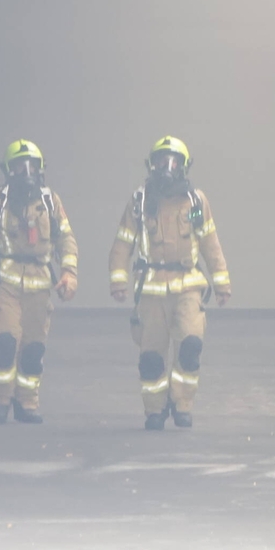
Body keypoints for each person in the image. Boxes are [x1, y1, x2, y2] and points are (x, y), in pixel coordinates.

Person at [108, 136, 231, 430]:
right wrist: (118, 280)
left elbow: (210, 243)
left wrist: (222, 282)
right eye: (162, 161)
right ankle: (155, 409)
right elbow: (123, 244)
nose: (168, 168)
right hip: (150, 290)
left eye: (174, 162)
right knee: (151, 356)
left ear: (185, 166)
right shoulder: (140, 202)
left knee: (190, 344)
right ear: (152, 165)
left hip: (188, 285)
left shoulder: (196, 201)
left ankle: (182, 403)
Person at [0, 139, 78, 424]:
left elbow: (66, 239)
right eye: (18, 166)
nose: (26, 172)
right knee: (4, 342)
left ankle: (27, 403)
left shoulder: (50, 202)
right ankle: (1, 400)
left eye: (31, 166)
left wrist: (69, 272)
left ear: (40, 170)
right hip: (6, 284)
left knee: (33, 349)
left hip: (40, 286)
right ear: (8, 171)